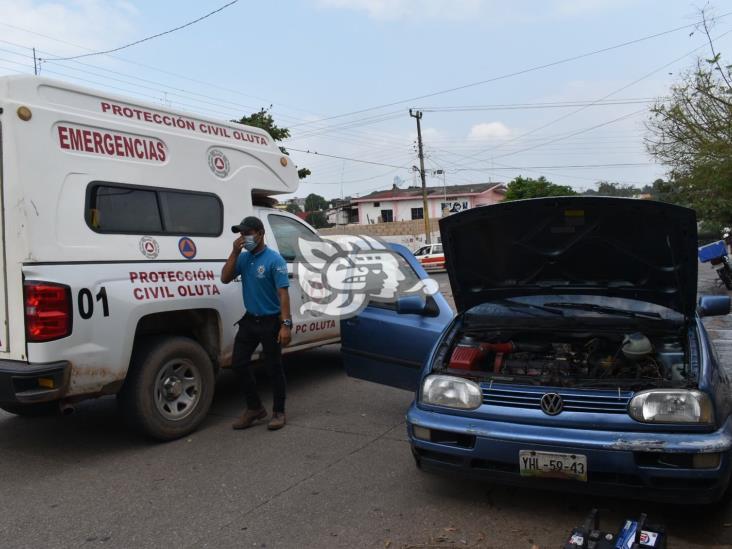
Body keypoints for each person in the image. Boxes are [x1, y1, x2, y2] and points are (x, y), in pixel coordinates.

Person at [221, 216, 292, 431]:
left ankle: (279, 412)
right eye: (241, 234)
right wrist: (234, 252)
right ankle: (255, 408)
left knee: (273, 368)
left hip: (271, 321)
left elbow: (283, 294)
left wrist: (286, 325)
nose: (244, 238)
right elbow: (224, 277)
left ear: (260, 234)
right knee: (238, 363)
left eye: (248, 233)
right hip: (250, 321)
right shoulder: (243, 258)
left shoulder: (274, 260)